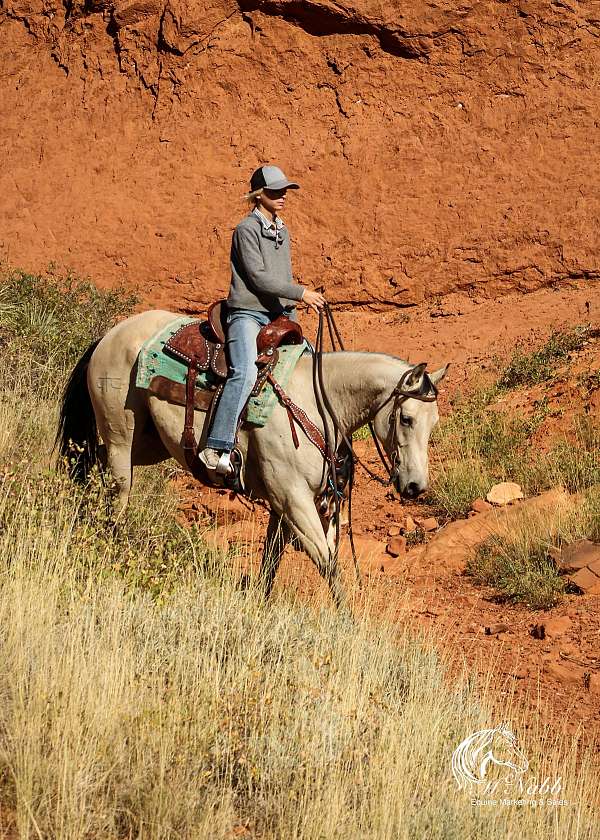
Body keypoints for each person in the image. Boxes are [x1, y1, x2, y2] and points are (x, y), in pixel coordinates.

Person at [199, 164, 326, 477]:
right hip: (246, 312)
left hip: (277, 316)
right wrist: (301, 294)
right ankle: (217, 446)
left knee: (309, 365)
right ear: (258, 195)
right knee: (242, 372)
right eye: (274, 191)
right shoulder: (246, 230)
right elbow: (258, 278)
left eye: (284, 191)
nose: (281, 196)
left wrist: (293, 319)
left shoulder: (283, 231)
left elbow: (281, 278)